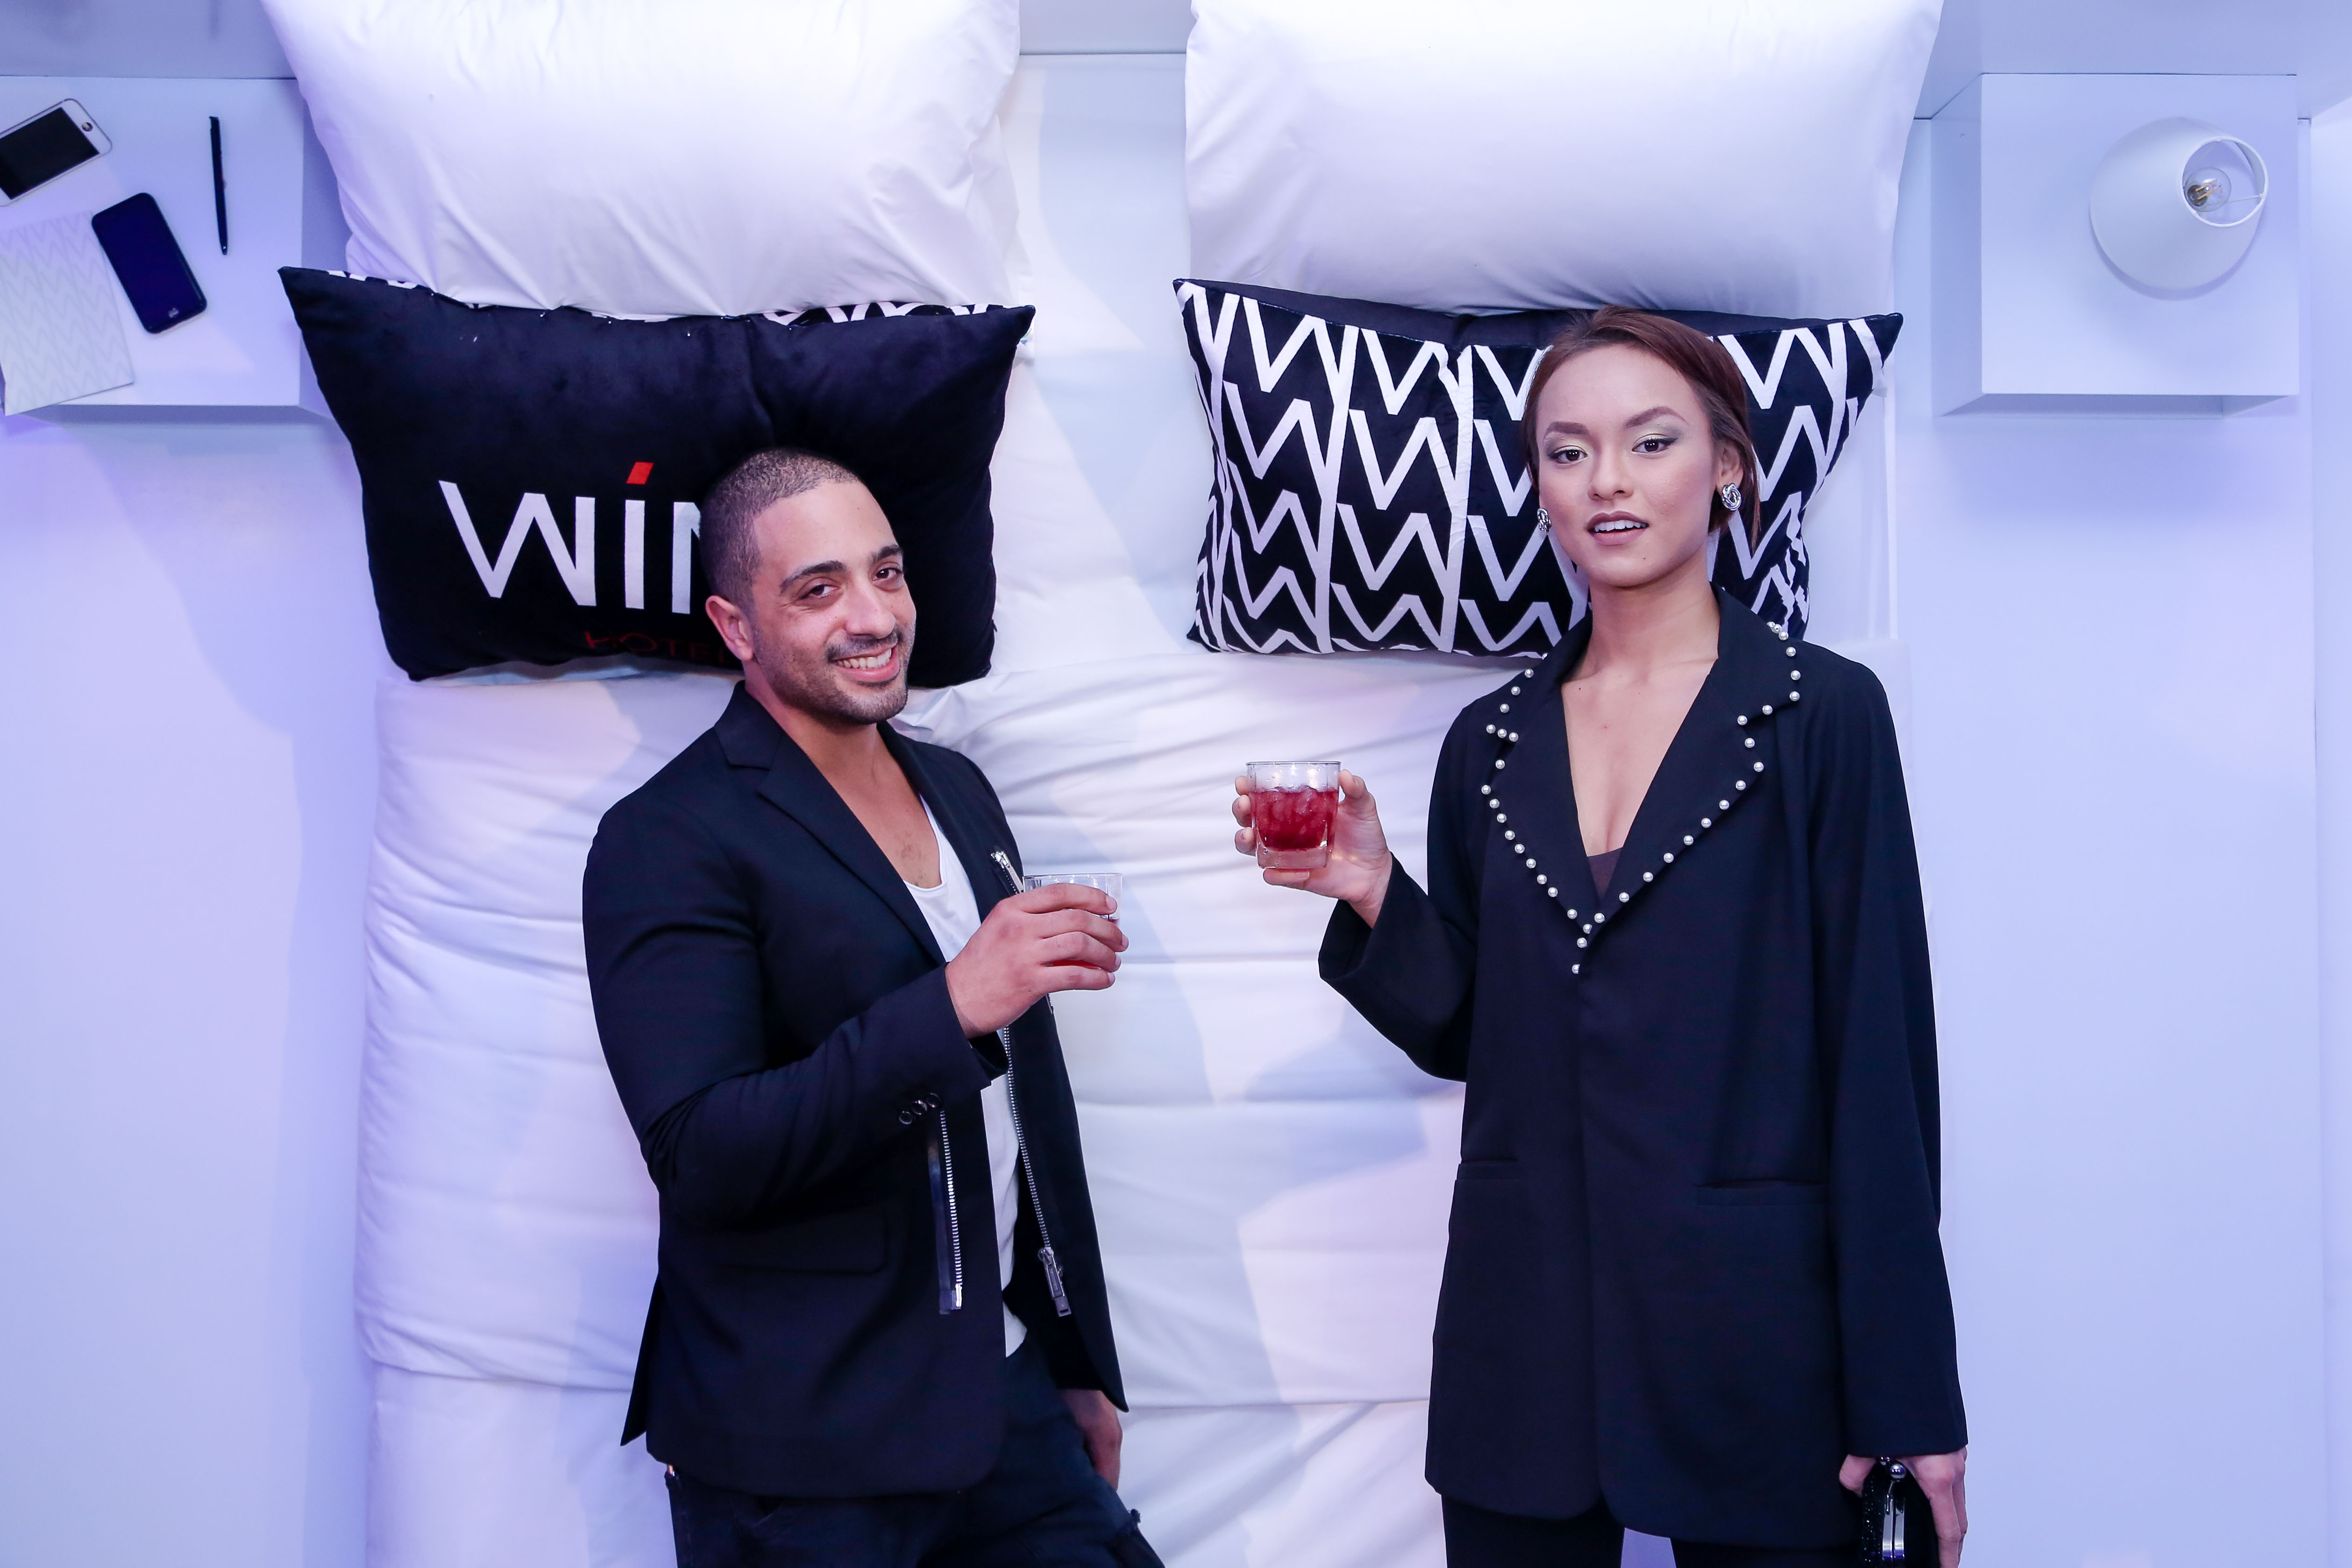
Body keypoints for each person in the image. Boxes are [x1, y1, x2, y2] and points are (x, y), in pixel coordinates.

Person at [1231, 309, 1968, 1568]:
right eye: (1566, 451)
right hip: (1523, 1336)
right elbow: (1478, 1034)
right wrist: (1373, 889)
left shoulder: (1822, 714)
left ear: (1727, 464)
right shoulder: (1489, 742)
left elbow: (1880, 1065)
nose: (1606, 480)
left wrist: (1907, 1394)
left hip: (1758, 1343)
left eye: (1649, 440)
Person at [584, 447, 1160, 1568]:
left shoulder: (958, 786)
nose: (873, 615)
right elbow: (704, 1152)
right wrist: (951, 1006)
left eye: (885, 572)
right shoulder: (666, 836)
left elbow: (1024, 1113)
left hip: (1003, 1399)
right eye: (818, 588)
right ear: (736, 625)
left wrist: (1070, 1355)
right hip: (802, 1452)